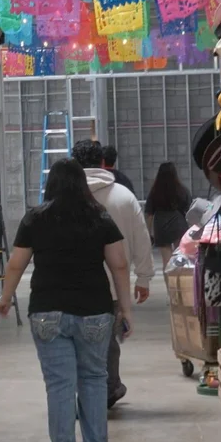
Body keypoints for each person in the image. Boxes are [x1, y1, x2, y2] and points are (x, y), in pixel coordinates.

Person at [0, 159, 134, 442]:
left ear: (51, 184)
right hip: (95, 312)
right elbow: (120, 265)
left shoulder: (35, 218)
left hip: (48, 311)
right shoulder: (99, 217)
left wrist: (5, 298)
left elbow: (16, 264)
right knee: (94, 379)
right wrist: (125, 309)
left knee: (59, 384)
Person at [72, 139, 155, 409]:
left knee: (77, 341)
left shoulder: (63, 197)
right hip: (112, 286)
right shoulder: (124, 196)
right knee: (107, 341)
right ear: (103, 163)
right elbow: (141, 238)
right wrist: (143, 278)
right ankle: (108, 389)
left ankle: (85, 391)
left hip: (71, 286)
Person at [145, 161, 192, 272]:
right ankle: (178, 284)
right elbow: (189, 210)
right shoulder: (182, 190)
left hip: (161, 225)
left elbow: (149, 214)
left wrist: (148, 233)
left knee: (166, 260)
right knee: (180, 256)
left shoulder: (154, 191)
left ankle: (169, 288)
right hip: (178, 223)